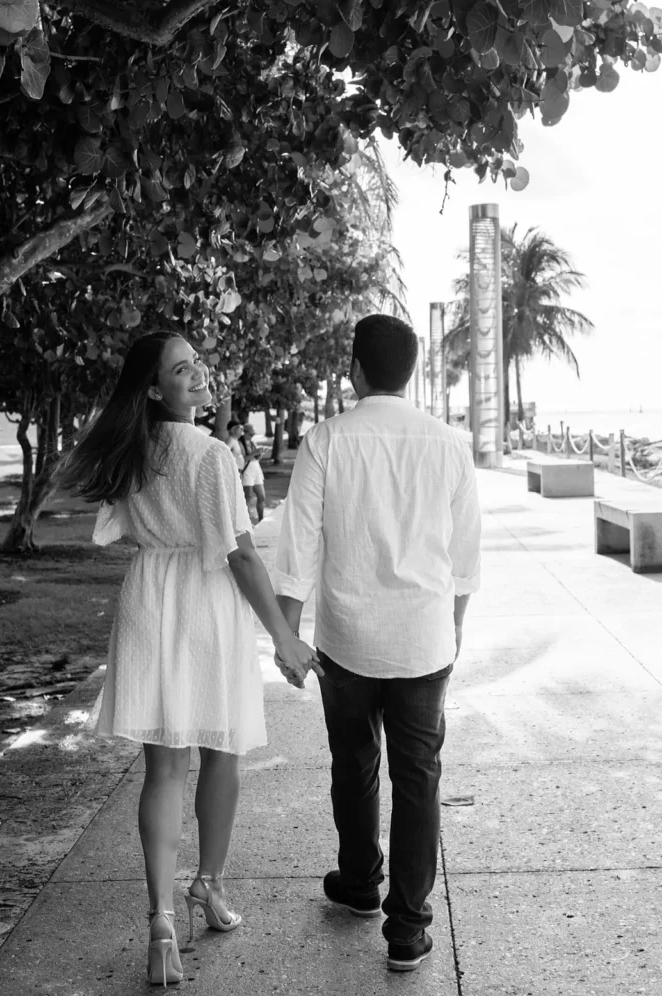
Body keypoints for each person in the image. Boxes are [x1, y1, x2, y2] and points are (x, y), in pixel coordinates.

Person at [58, 331, 321, 987]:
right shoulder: (209, 455)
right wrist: (284, 639)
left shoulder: (131, 450)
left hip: (149, 595)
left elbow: (118, 528)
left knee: (163, 769)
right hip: (205, 603)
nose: (199, 373)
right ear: (155, 389)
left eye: (198, 361)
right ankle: (207, 883)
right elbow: (239, 555)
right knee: (222, 752)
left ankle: (162, 917)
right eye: (182, 370)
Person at [272, 314, 481, 973]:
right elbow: (466, 554)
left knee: (352, 762)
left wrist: (286, 634)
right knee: (417, 778)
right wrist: (453, 626)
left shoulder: (325, 441)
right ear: (410, 370)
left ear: (354, 368)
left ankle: (360, 882)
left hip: (347, 640)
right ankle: (407, 930)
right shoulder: (448, 443)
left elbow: (297, 547)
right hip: (422, 638)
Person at [241, 422, 266, 523]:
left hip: (256, 470)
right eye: (251, 434)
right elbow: (243, 459)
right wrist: (255, 452)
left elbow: (255, 458)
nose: (252, 436)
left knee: (262, 496)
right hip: (247, 472)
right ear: (245, 433)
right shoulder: (241, 443)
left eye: (253, 434)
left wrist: (261, 453)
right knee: (248, 498)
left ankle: (261, 519)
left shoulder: (252, 442)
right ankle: (247, 522)